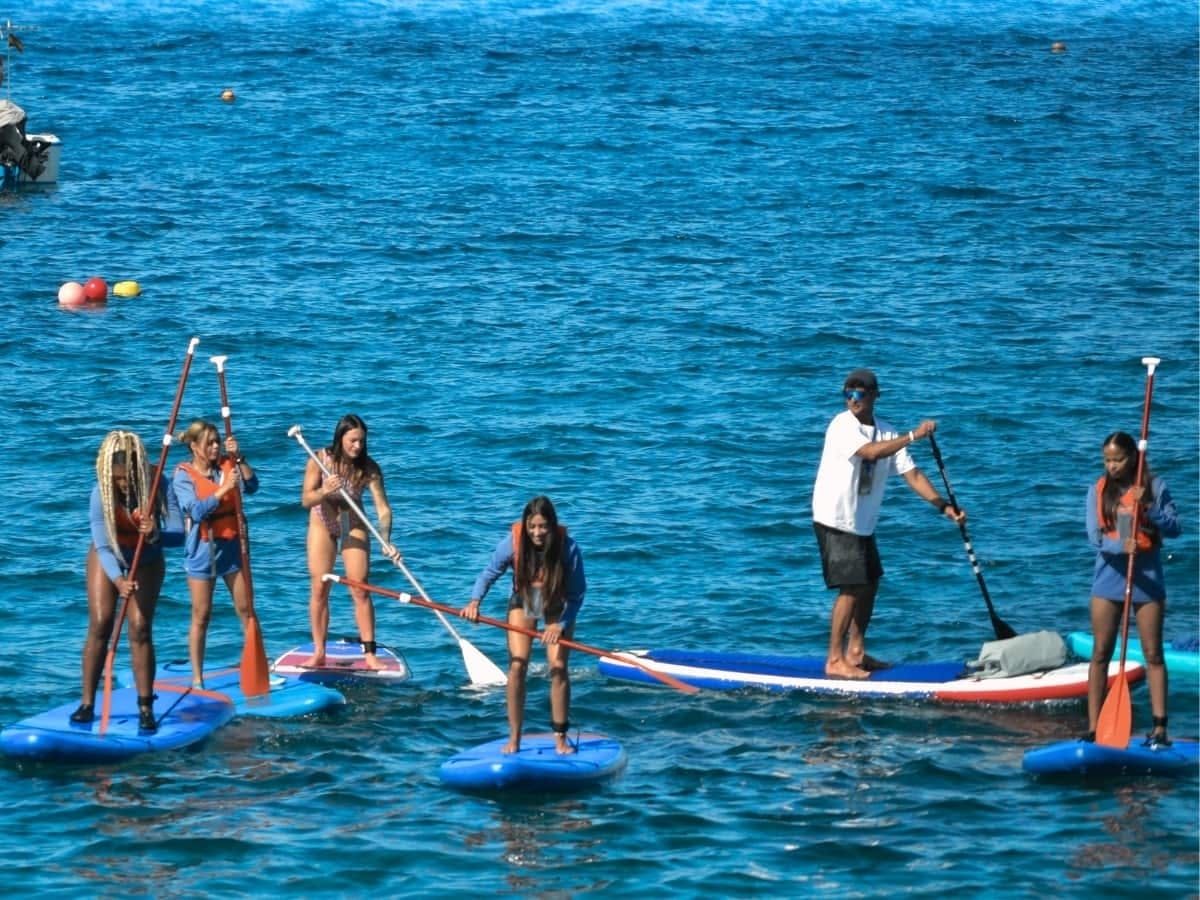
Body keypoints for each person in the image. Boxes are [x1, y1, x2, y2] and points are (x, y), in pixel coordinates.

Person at [812, 368, 965, 679]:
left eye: (860, 393)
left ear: (874, 396)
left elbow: (913, 475)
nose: (853, 399)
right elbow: (870, 452)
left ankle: (855, 652)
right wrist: (913, 435)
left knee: (869, 584)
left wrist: (943, 506)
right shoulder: (842, 425)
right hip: (835, 517)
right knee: (851, 587)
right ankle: (834, 659)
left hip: (863, 523)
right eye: (848, 394)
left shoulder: (886, 432)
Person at [72, 431, 182, 733]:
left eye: (127, 478)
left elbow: (180, 532)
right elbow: (103, 545)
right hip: (108, 557)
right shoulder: (100, 493)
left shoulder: (159, 483)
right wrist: (118, 580)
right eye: (118, 478)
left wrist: (157, 533)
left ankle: (145, 706)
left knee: (139, 627)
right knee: (101, 623)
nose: (123, 484)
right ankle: (86, 703)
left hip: (147, 558)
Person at [459, 496, 586, 755]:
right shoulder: (513, 543)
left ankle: (560, 738)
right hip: (526, 598)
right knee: (518, 665)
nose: (537, 533)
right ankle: (515, 737)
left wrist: (559, 626)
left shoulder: (568, 548)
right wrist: (474, 602)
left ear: (551, 526)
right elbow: (489, 573)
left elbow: (577, 596)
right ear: (525, 526)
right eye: (532, 527)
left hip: (558, 603)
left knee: (558, 667)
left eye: (543, 527)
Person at [1084, 430, 1180, 745]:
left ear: (1133, 458)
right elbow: (1095, 538)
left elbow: (1175, 528)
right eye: (1107, 460)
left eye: (1118, 459)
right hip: (1109, 580)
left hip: (1148, 579)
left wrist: (1149, 507)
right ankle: (1095, 727)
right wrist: (1119, 547)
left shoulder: (1154, 487)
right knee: (1100, 653)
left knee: (1153, 653)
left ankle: (1160, 727)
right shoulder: (1098, 490)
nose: (1112, 466)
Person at [301, 414, 400, 669]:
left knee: (359, 588)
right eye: (353, 441)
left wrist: (386, 541)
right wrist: (325, 490)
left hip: (351, 523)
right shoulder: (319, 459)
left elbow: (383, 509)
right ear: (340, 438)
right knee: (320, 587)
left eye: (362, 441)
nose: (357, 446)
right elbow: (306, 500)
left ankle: (369, 654)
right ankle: (319, 651)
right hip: (322, 522)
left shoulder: (369, 468)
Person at [172, 419, 259, 687]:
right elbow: (195, 511)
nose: (215, 447)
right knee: (202, 615)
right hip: (202, 550)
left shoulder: (228, 464)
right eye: (209, 443)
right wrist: (223, 490)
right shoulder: (183, 475)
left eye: (217, 442)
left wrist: (240, 458)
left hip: (232, 546)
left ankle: (257, 668)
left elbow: (253, 486)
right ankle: (197, 678)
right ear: (195, 447)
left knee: (247, 610)